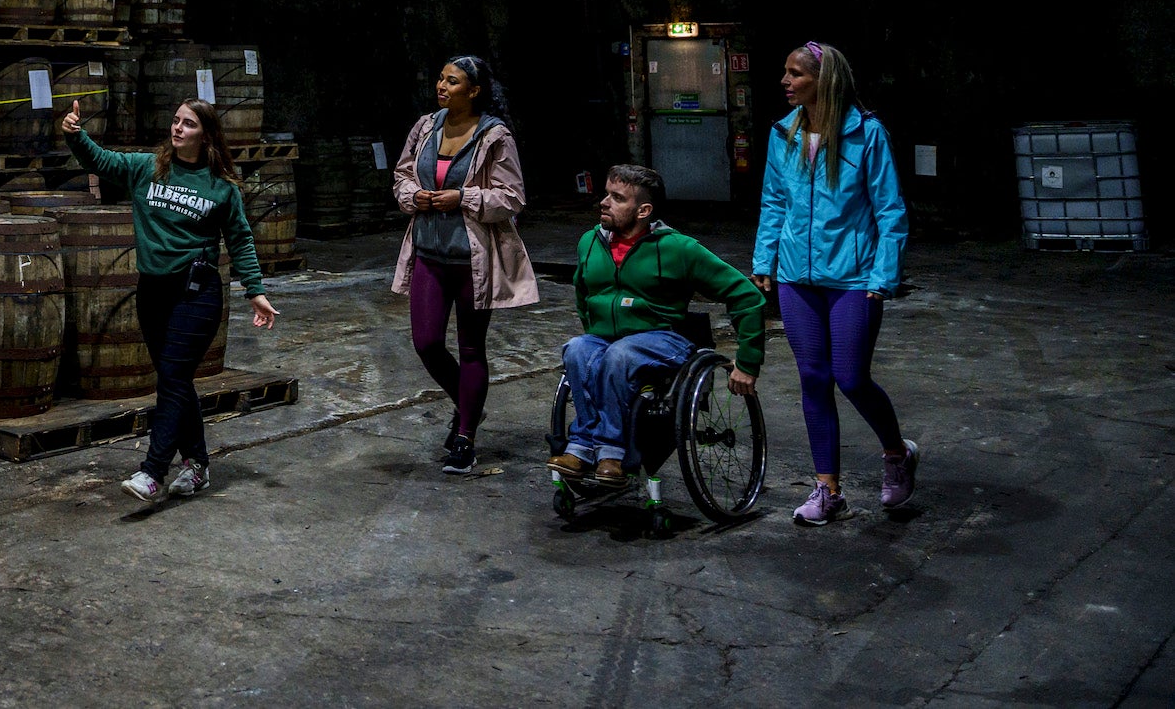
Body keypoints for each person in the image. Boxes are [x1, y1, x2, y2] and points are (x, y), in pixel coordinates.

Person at [62, 95, 277, 505]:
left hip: (196, 294)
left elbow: (241, 240)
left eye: (189, 124)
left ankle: (153, 471)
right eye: (176, 120)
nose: (178, 128)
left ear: (207, 135)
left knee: (173, 380)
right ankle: (197, 464)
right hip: (153, 291)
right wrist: (76, 134)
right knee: (176, 382)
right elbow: (101, 161)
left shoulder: (221, 188)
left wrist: (256, 291)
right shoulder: (149, 167)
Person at [752, 41, 918, 525]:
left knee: (850, 377)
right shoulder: (782, 133)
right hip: (796, 279)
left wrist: (884, 275)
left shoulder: (867, 134)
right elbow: (773, 204)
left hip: (854, 277)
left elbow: (890, 211)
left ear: (822, 81)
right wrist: (766, 259)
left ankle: (896, 453)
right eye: (784, 73)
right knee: (813, 378)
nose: (785, 81)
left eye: (795, 73)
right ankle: (828, 490)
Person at [551, 164, 764, 484]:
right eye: (606, 194)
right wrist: (594, 331)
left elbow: (746, 295)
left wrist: (748, 361)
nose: (604, 202)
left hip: (664, 339)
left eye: (617, 198)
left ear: (643, 210)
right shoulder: (589, 242)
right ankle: (581, 446)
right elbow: (583, 296)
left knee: (619, 355)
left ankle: (611, 451)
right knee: (578, 349)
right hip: (607, 340)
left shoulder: (678, 248)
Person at [390, 54, 540, 475]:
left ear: (473, 91)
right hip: (429, 255)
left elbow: (511, 198)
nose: (442, 86)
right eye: (440, 78)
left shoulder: (494, 136)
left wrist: (465, 198)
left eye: (452, 81)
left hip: (473, 259)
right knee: (426, 343)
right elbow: (402, 177)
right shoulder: (425, 127)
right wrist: (413, 196)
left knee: (472, 347)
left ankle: (465, 437)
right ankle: (469, 404)